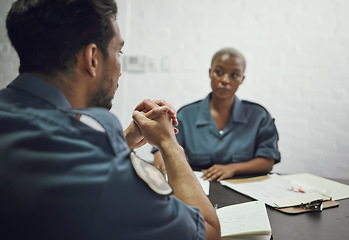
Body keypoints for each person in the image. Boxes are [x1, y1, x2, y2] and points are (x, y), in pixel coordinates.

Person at [0, 1, 220, 239]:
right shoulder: (104, 172)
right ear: (92, 58)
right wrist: (169, 143)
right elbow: (208, 231)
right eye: (119, 52)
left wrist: (126, 139)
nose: (120, 68)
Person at [153, 47, 281, 182]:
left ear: (242, 79)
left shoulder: (259, 116)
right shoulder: (186, 115)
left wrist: (233, 168)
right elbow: (165, 145)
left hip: (243, 190)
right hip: (196, 189)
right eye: (219, 72)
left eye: (234, 75)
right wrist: (159, 155)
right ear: (210, 73)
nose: (225, 80)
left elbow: (267, 161)